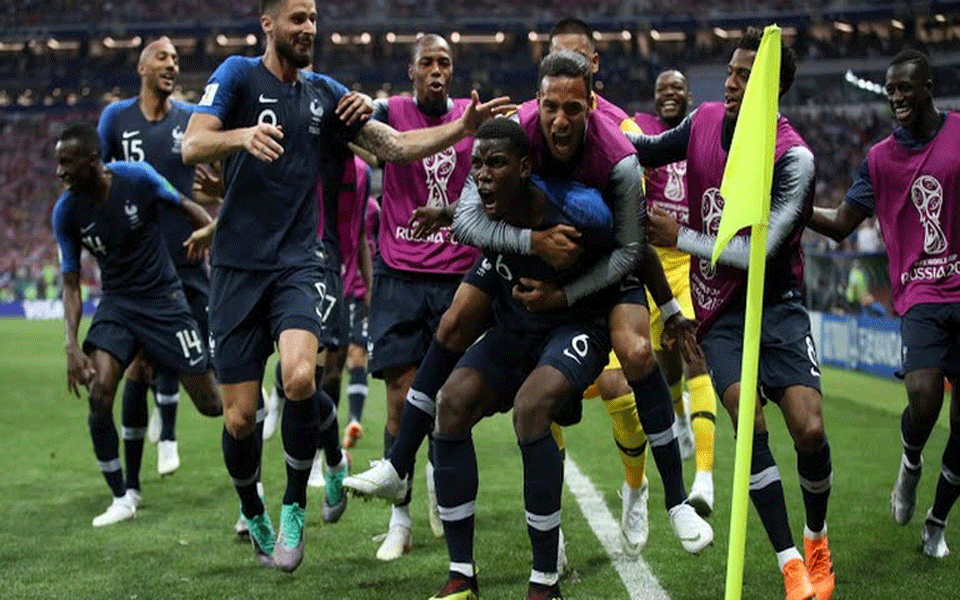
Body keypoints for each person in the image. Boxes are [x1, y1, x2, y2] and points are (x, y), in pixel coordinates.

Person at [347, 50, 712, 562]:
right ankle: (399, 463)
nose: (559, 121)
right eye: (549, 107)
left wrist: (592, 298)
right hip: (527, 257)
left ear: (592, 104)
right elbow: (473, 221)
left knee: (634, 351)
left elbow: (632, 250)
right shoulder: (513, 133)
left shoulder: (618, 160)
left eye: (573, 108)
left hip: (600, 269)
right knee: (454, 321)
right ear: (537, 101)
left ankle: (676, 501)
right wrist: (532, 244)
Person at [181, 0, 509, 572]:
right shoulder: (236, 75)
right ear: (269, 25)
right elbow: (192, 144)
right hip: (236, 267)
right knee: (237, 418)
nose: (308, 28)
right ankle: (252, 506)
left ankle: (292, 509)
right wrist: (240, 139)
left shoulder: (326, 93)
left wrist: (460, 127)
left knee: (301, 376)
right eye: (297, 19)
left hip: (301, 263)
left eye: (313, 18)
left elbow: (392, 146)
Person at [628, 27, 834, 600]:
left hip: (778, 304)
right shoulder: (701, 123)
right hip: (719, 310)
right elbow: (643, 151)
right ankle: (791, 561)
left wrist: (682, 236)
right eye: (732, 71)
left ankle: (816, 536)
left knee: (809, 428)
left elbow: (763, 255)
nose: (732, 81)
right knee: (751, 424)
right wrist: (602, 125)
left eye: (747, 75)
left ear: (776, 87)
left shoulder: (793, 158)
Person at [430, 117, 629, 600]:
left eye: (494, 164)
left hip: (575, 325)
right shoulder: (484, 215)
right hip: (516, 333)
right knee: (451, 402)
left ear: (523, 167)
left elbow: (628, 249)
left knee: (532, 407)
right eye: (476, 164)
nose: (482, 174)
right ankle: (461, 578)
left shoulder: (579, 206)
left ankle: (544, 582)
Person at [808, 48, 960, 559]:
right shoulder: (880, 158)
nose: (895, 97)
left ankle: (936, 523)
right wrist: (794, 204)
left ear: (928, 87)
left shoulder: (959, 134)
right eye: (890, 89)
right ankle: (911, 462)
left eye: (904, 88)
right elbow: (843, 222)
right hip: (921, 293)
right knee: (924, 397)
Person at [52, 123, 221, 528]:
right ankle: (121, 496)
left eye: (66, 162)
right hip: (117, 305)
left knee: (212, 405)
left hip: (164, 299)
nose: (59, 172)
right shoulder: (66, 212)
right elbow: (72, 285)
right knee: (99, 394)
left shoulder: (137, 178)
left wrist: (207, 238)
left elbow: (188, 207)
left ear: (93, 162)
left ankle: (250, 400)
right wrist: (72, 346)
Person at [360, 33, 485, 561]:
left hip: (457, 277)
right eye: (427, 63)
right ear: (411, 73)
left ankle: (438, 482)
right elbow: (359, 122)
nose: (438, 71)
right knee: (398, 398)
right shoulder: (389, 112)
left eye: (445, 63)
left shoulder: (470, 117)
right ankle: (400, 518)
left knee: (451, 398)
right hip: (400, 272)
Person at [98, 37, 222, 479]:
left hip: (188, 264)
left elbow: (218, 180)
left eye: (176, 59)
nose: (172, 65)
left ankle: (173, 427)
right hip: (140, 272)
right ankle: (135, 480)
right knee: (137, 367)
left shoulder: (192, 120)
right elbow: (99, 184)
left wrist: (214, 201)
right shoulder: (115, 118)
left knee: (202, 368)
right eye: (163, 58)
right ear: (142, 67)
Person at [633, 69, 717, 516]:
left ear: (688, 96)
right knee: (665, 369)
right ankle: (681, 421)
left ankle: (704, 477)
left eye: (677, 89)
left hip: (691, 263)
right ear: (654, 97)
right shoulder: (640, 130)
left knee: (694, 355)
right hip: (652, 263)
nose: (669, 95)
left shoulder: (701, 133)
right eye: (661, 89)